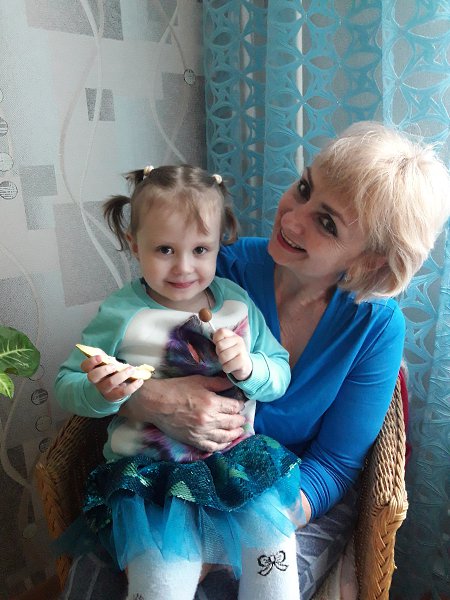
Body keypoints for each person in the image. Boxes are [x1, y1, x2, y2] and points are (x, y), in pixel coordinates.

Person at [113, 122, 450, 600]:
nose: (292, 218)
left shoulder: (374, 327)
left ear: (370, 261)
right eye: (305, 188)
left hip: (289, 497)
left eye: (327, 223)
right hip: (178, 476)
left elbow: (334, 464)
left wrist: (234, 530)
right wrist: (152, 402)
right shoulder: (218, 268)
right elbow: (122, 358)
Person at [55, 165, 304, 600]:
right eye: (165, 249)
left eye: (201, 249)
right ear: (135, 245)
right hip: (152, 484)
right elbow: (66, 382)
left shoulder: (237, 305)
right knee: (162, 584)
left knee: (276, 562)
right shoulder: (122, 313)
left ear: (219, 243)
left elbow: (279, 373)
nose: (184, 267)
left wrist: (249, 367)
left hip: (235, 472)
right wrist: (102, 392)